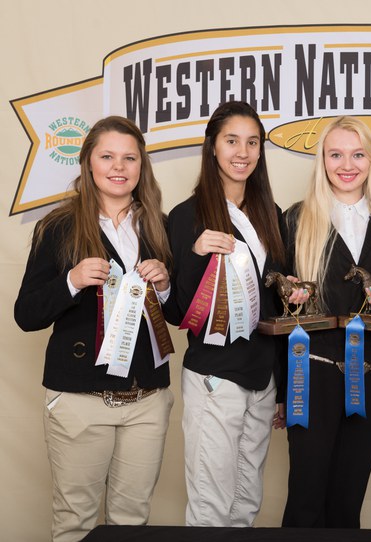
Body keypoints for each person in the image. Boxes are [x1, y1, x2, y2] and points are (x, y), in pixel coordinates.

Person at [14, 116, 174, 542]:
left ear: (142, 166)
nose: (118, 167)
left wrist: (165, 284)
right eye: (107, 156)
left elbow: (175, 318)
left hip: (147, 399)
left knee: (132, 521)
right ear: (87, 162)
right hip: (81, 399)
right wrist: (71, 280)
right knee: (75, 522)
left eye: (129, 158)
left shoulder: (158, 224)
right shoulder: (58, 226)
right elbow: (26, 314)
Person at [280, 116, 371, 528]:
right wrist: (291, 296)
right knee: (305, 499)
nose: (347, 164)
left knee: (349, 501)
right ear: (323, 159)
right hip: (311, 375)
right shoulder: (295, 220)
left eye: (357, 154)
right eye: (336, 154)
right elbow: (277, 303)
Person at [167, 101, 286, 527]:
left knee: (246, 500)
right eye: (232, 140)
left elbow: (279, 307)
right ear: (212, 147)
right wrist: (198, 256)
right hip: (215, 375)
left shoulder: (271, 216)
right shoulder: (186, 217)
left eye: (253, 142)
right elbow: (176, 311)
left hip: (262, 375)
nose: (243, 152)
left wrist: (285, 384)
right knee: (211, 505)